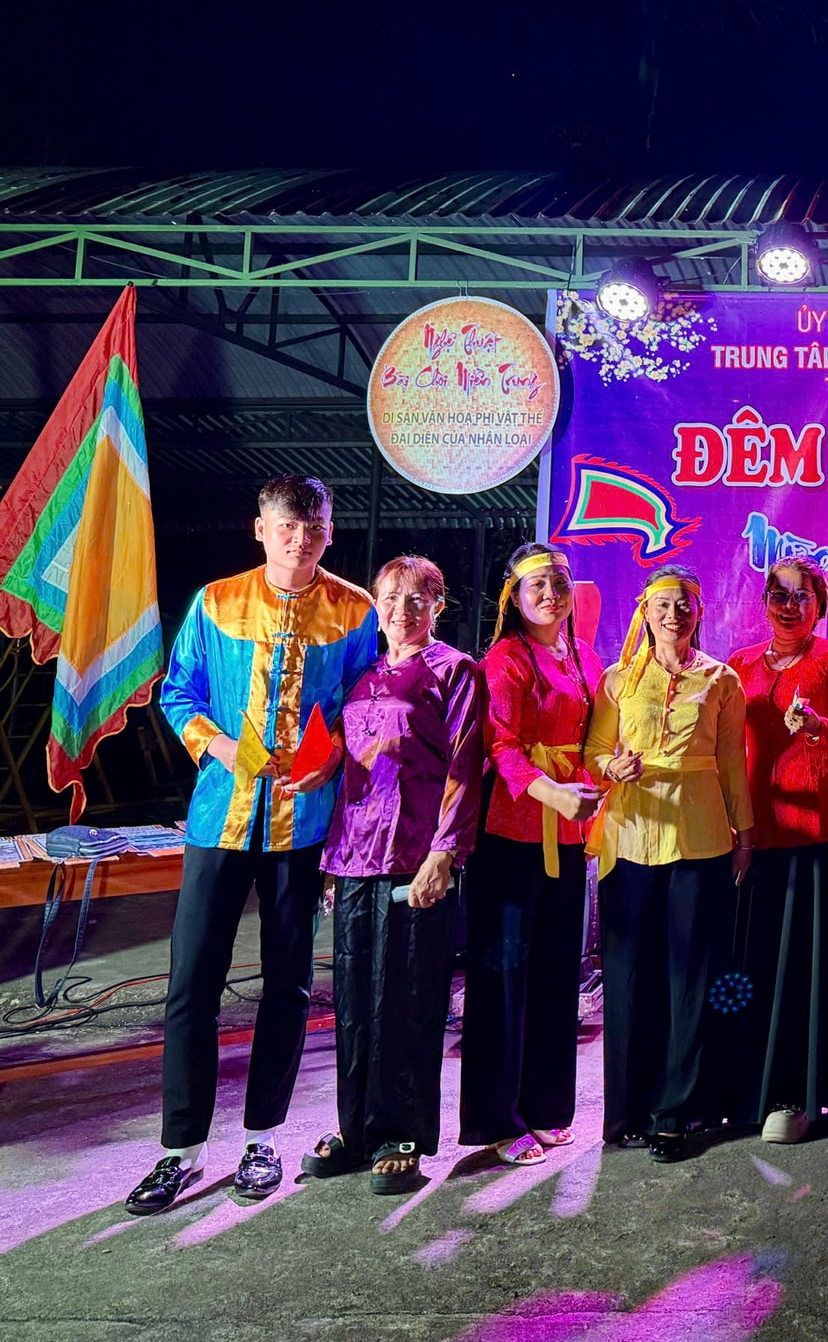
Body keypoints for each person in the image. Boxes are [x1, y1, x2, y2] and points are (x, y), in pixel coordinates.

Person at [130, 476, 378, 1215]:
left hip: (305, 825)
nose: (302, 538)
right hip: (221, 819)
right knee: (190, 983)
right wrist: (223, 747)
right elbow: (178, 694)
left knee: (290, 984)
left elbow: (363, 707)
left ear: (329, 531)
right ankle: (181, 1150)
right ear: (261, 529)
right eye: (287, 526)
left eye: (315, 526)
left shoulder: (356, 610)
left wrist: (336, 758)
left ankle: (262, 1139)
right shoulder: (216, 602)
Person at [303, 556, 483, 1193]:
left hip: (415, 856)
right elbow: (350, 767)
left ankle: (402, 1132)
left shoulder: (455, 671)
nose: (402, 610)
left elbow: (465, 766)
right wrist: (331, 859)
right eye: (390, 598)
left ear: (438, 605)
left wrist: (445, 852)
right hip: (355, 854)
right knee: (354, 1001)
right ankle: (355, 1130)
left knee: (409, 999)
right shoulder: (364, 674)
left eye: (416, 599)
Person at [587, 564, 753, 1163]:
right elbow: (594, 750)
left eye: (684, 604)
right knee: (629, 977)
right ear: (645, 612)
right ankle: (627, 1110)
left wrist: (745, 833)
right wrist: (610, 768)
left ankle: (676, 1111)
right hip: (630, 836)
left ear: (698, 612)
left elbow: (732, 762)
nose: (673, 614)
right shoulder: (618, 679)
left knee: (692, 978)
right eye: (662, 604)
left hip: (702, 839)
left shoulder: (722, 680)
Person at [727, 558, 828, 1144]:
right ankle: (748, 1090)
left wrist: (818, 724)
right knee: (756, 964)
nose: (789, 605)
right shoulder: (740, 664)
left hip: (819, 831)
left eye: (801, 596)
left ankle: (805, 1092)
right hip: (756, 830)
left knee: (810, 966)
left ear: (820, 604)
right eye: (779, 594)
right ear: (763, 602)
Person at [461, 543, 605, 1167]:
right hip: (511, 837)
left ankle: (546, 1107)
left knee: (555, 974)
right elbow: (501, 745)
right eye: (536, 585)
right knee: (503, 981)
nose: (550, 594)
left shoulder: (583, 657)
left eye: (559, 583)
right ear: (514, 599)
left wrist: (599, 780)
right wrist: (555, 793)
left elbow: (594, 740)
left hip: (567, 837)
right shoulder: (505, 659)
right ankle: (498, 1119)